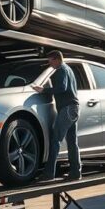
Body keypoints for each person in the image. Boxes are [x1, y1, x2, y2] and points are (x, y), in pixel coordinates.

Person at [32, 50, 81, 181]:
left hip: (67, 109)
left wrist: (43, 90)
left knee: (55, 140)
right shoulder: (68, 69)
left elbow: (62, 88)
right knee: (72, 142)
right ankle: (76, 172)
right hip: (74, 108)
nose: (50, 64)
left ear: (57, 59)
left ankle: (49, 174)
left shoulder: (61, 70)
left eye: (50, 61)